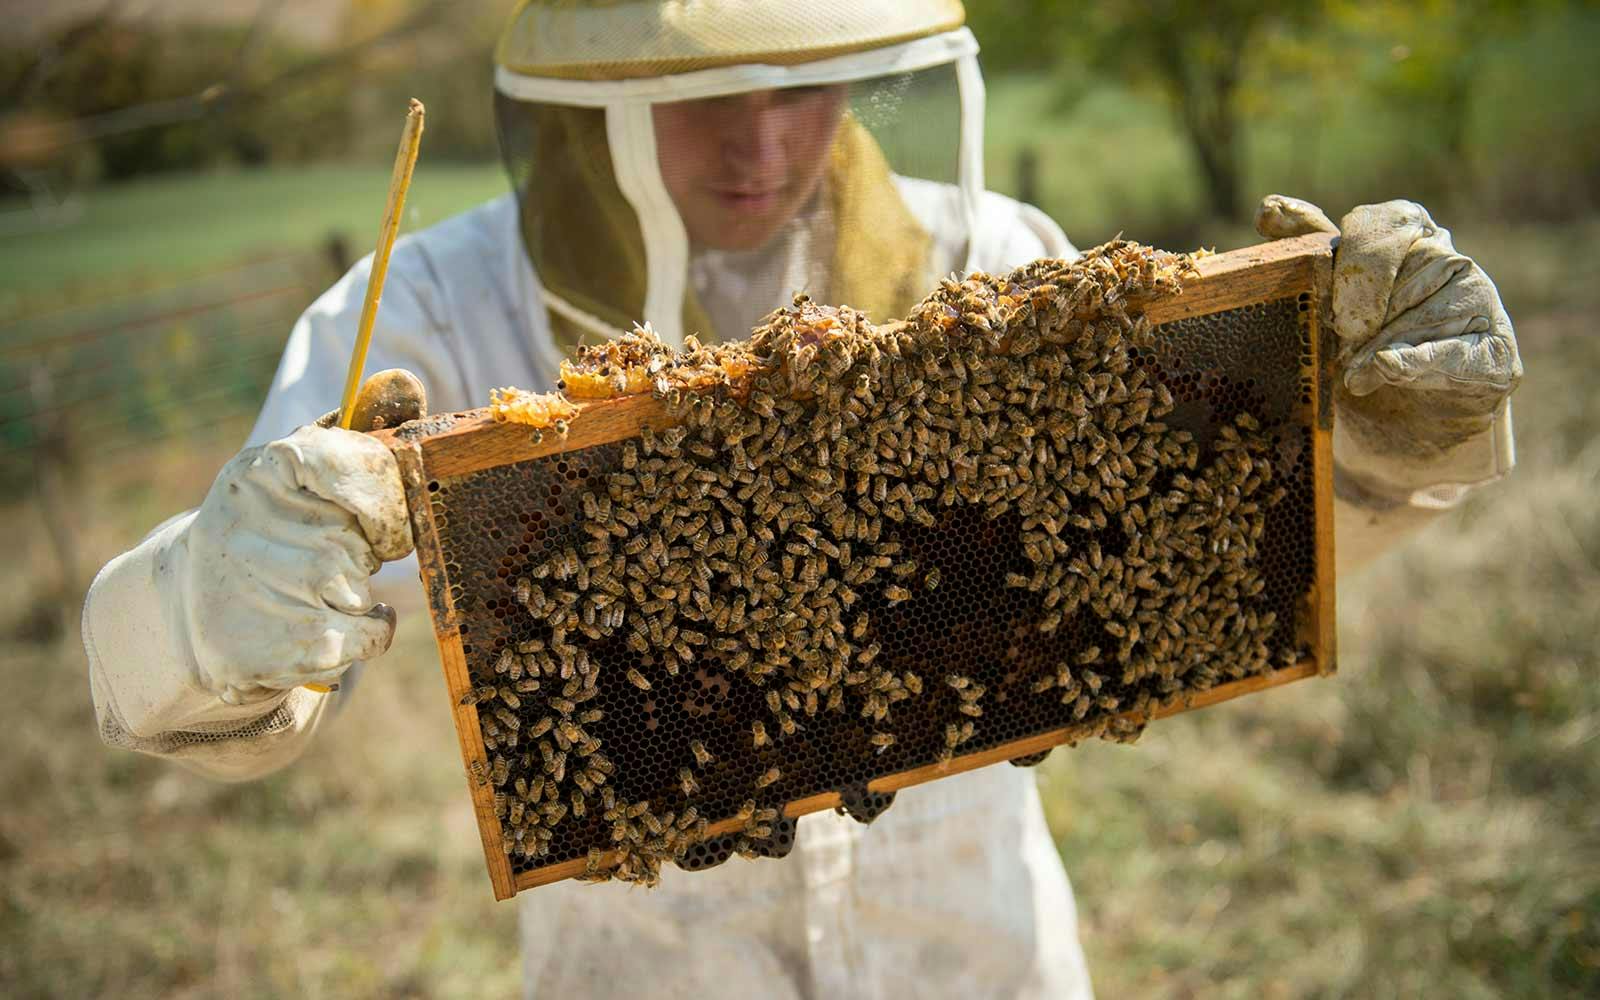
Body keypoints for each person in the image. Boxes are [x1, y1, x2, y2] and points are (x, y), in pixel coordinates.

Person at [80, 2, 1522, 996]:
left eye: (800, 81)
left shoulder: (1001, 264)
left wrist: (1390, 445)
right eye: (705, 91)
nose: (759, 145)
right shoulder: (431, 314)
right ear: (588, 97)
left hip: (985, 961)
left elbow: (1206, 553)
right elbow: (178, 690)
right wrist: (210, 609)